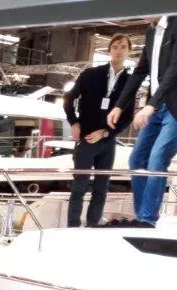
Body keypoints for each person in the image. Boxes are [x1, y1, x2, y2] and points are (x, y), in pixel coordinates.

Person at [106, 14, 177, 227]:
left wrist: (151, 105)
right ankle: (141, 217)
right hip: (156, 104)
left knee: (157, 158)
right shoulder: (152, 30)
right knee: (137, 160)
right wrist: (119, 105)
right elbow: (141, 70)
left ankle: (147, 218)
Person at [63, 34, 134, 228]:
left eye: (123, 47)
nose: (119, 50)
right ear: (109, 50)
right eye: (115, 46)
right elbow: (69, 99)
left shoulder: (130, 82)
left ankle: (93, 226)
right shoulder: (90, 74)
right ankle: (72, 227)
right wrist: (74, 122)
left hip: (107, 141)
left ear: (129, 51)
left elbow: (128, 116)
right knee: (79, 187)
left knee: (101, 188)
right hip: (86, 138)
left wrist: (105, 133)